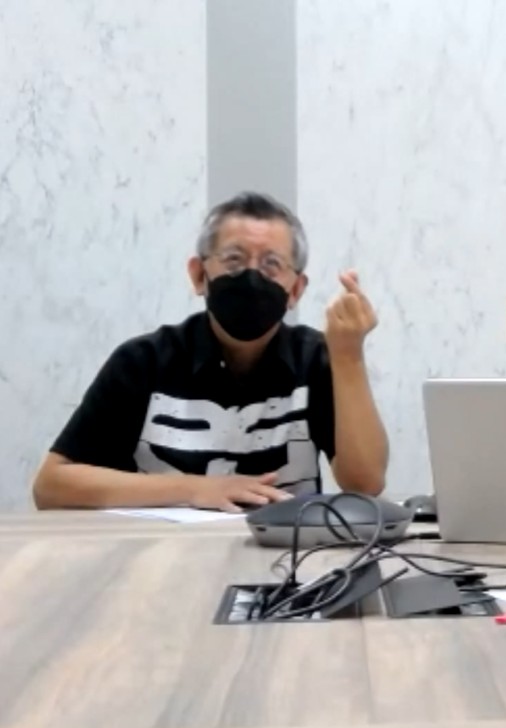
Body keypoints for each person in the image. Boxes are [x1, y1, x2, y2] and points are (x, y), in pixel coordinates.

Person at [32, 192, 390, 512]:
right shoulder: (143, 361)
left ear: (295, 290)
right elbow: (51, 486)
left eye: (271, 265)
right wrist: (195, 489)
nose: (251, 277)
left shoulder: (318, 358)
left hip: (288, 556)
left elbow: (366, 484)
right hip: (161, 556)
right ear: (199, 275)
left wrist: (349, 356)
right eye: (234, 260)